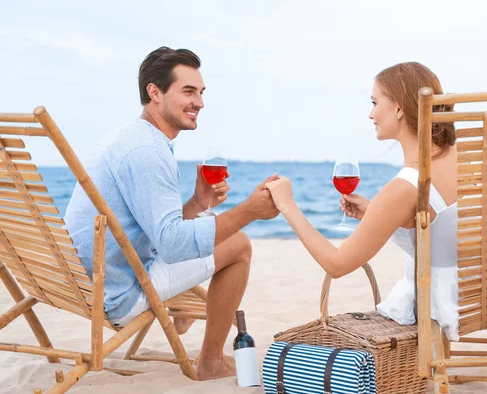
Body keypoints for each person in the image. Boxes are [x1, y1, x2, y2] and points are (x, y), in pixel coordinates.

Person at [64, 47, 279, 380]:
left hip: (79, 283)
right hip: (117, 294)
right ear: (154, 92)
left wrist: (195, 204)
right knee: (239, 246)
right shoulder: (148, 151)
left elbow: (150, 229)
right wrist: (250, 210)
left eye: (201, 92)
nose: (200, 103)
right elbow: (173, 246)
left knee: (204, 235)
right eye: (188, 91)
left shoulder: (126, 138)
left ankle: (179, 306)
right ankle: (211, 362)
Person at [265, 62, 460, 340]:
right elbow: (442, 228)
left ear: (399, 108)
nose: (371, 113)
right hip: (477, 293)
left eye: (374, 102)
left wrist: (287, 205)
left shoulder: (405, 187)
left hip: (442, 307)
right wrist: (378, 213)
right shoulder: (467, 158)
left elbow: (337, 264)